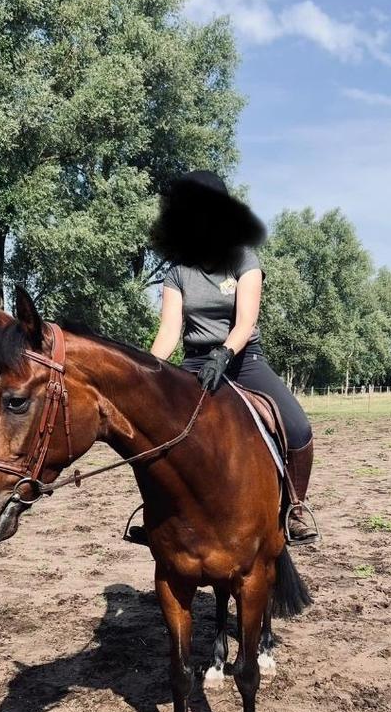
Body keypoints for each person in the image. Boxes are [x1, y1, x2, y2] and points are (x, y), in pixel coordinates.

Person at [134, 169, 318, 545]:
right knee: (148, 428)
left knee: (298, 427)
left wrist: (225, 353)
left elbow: (246, 321)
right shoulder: (178, 272)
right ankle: (156, 512)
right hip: (195, 363)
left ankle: (295, 508)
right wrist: (145, 372)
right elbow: (169, 332)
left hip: (243, 358)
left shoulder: (243, 257)